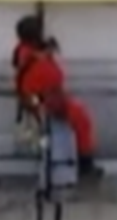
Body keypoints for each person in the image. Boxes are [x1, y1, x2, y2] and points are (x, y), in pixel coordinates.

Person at [11, 15, 98, 176]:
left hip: (46, 99)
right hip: (46, 102)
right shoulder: (29, 55)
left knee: (79, 114)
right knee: (80, 117)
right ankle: (84, 161)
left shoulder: (27, 52)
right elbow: (41, 80)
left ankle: (82, 158)